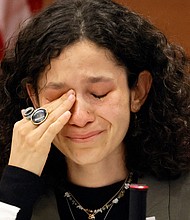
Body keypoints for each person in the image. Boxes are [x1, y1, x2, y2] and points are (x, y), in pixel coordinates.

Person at [0, 0, 189, 219]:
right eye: (59, 97)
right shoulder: (11, 191)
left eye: (99, 93)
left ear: (138, 91)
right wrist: (17, 184)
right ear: (34, 97)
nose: (79, 117)